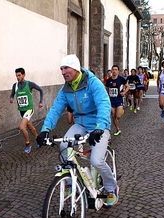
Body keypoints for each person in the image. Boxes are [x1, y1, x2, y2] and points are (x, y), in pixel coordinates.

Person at [36, 54, 119, 206]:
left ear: (75, 68)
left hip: (98, 125)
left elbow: (104, 104)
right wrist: (45, 130)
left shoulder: (93, 83)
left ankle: (111, 187)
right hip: (80, 123)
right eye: (61, 69)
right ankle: (69, 182)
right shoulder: (65, 89)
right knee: (63, 147)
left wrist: (100, 128)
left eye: (66, 68)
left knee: (96, 160)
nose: (63, 72)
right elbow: (55, 109)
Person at [10, 67, 44, 153]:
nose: (18, 77)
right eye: (16, 75)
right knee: (30, 127)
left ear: (24, 75)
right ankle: (38, 139)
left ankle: (28, 144)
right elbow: (12, 94)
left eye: (19, 75)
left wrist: (40, 102)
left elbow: (41, 90)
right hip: (21, 110)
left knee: (22, 127)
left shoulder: (29, 84)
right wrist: (11, 98)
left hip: (29, 109)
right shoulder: (15, 85)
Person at [105, 65, 129, 136]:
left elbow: (128, 86)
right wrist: (107, 94)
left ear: (118, 71)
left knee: (118, 116)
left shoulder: (121, 79)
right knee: (113, 115)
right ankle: (118, 129)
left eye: (116, 70)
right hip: (111, 100)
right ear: (111, 71)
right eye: (113, 70)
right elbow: (106, 88)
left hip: (119, 99)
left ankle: (121, 111)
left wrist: (124, 92)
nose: (114, 71)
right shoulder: (109, 80)